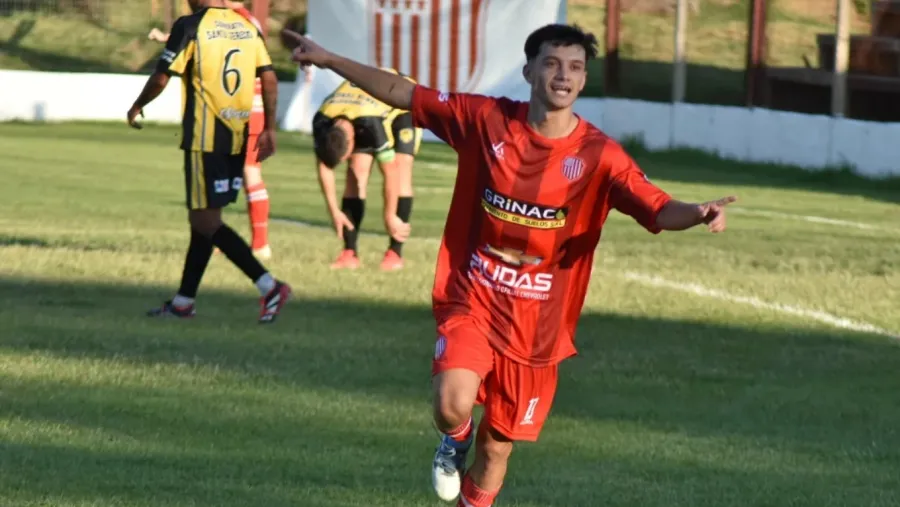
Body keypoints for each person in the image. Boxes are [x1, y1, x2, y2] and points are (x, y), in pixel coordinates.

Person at [288, 23, 739, 506]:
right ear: (528, 71)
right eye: (551, 63)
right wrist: (331, 59)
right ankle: (453, 437)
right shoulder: (485, 120)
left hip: (538, 330)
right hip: (474, 299)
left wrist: (695, 213)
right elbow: (405, 93)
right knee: (450, 404)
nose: (562, 76)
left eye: (574, 67)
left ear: (584, 80)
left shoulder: (600, 156)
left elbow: (655, 206)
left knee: (497, 450)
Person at [129, 0, 291, 324]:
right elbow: (269, 79)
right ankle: (183, 302)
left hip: (205, 139)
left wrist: (136, 105)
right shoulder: (245, 25)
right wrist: (269, 128)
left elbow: (163, 76)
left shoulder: (190, 26)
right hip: (236, 135)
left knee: (206, 222)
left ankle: (269, 286)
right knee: (202, 220)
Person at [148, 0, 272, 260]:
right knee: (229, 181)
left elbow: (208, 39)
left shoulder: (235, 19)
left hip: (236, 106)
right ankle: (222, 238)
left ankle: (257, 245)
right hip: (246, 107)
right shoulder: (244, 21)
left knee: (248, 174)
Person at [310, 69, 420, 271]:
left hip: (402, 104)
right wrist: (334, 211)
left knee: (402, 168)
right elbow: (325, 164)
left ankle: (395, 252)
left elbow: (391, 171)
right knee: (356, 171)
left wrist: (389, 216)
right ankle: (349, 253)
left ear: (352, 142)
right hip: (356, 109)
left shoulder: (371, 125)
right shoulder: (322, 120)